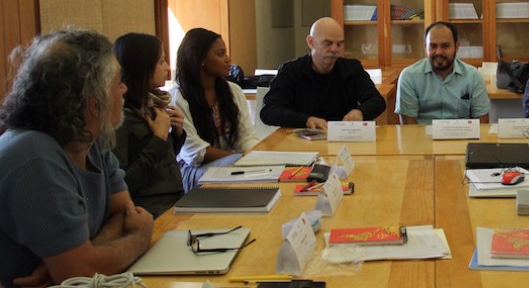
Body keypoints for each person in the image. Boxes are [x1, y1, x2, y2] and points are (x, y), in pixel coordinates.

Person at [0, 30, 153, 288]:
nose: (124, 90)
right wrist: (139, 237)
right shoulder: (33, 157)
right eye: (118, 83)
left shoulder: (89, 138)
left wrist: (81, 256)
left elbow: (123, 212)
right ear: (94, 104)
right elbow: (79, 276)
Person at [172, 28, 259, 191]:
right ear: (200, 59)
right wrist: (241, 159)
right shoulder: (179, 98)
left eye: (226, 53)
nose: (228, 59)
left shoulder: (233, 90)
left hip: (231, 163)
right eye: (220, 54)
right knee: (237, 168)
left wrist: (258, 156)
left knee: (261, 169)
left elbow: (246, 137)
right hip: (194, 171)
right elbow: (196, 153)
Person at [260, 17, 386, 130]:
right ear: (311, 42)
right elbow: (269, 111)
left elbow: (377, 101)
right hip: (303, 139)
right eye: (328, 43)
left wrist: (360, 112)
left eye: (339, 44)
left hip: (344, 137)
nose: (334, 49)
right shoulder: (291, 71)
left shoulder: (352, 69)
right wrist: (306, 120)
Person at [113, 33, 185, 216]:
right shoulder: (120, 118)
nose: (168, 68)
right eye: (161, 62)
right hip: (150, 209)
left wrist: (177, 134)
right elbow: (124, 183)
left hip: (176, 198)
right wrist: (159, 139)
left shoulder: (152, 105)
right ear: (141, 68)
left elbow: (163, 161)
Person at [396, 21, 490, 124]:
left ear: (457, 46)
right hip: (422, 139)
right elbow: (409, 130)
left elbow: (482, 125)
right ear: (425, 47)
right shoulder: (409, 77)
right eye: (432, 46)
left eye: (445, 46)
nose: (439, 52)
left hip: (462, 137)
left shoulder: (473, 76)